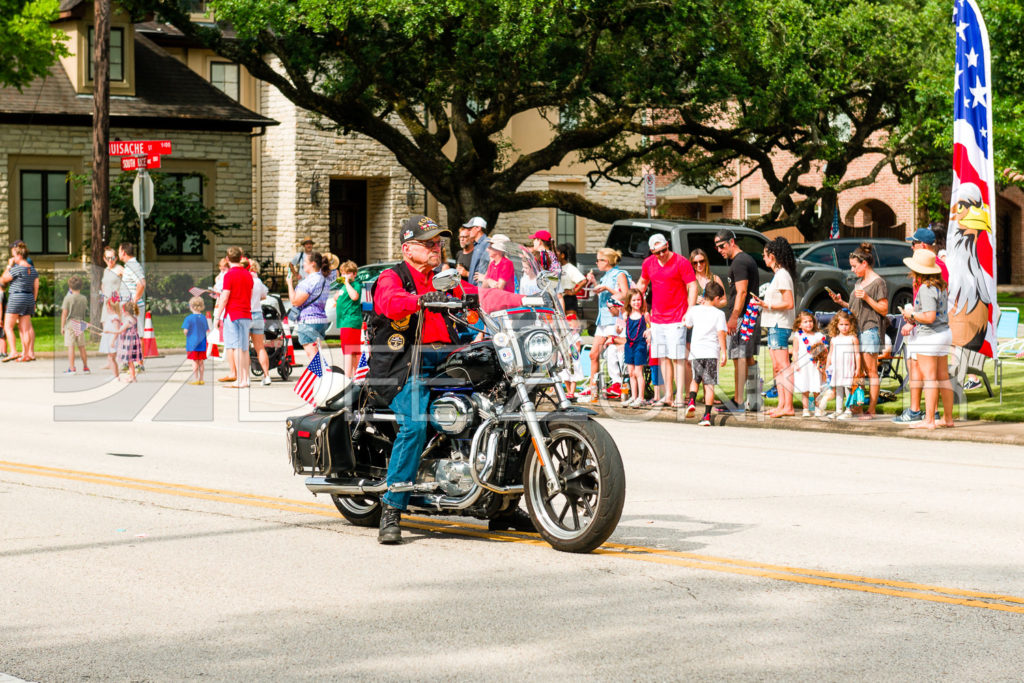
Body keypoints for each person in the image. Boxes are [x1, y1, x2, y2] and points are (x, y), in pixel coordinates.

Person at [367, 215, 468, 544]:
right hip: (403, 367)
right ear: (407, 248)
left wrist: (524, 302)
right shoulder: (391, 277)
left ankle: (501, 504)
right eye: (428, 243)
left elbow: (477, 297)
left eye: (438, 242)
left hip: (445, 360)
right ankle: (392, 507)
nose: (436, 248)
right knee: (415, 422)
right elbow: (389, 303)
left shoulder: (444, 279)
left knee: (490, 408)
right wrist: (419, 301)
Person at [636, 233, 697, 411]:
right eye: (657, 252)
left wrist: (690, 310)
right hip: (657, 317)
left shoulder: (681, 262)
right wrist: (637, 305)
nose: (662, 254)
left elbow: (692, 285)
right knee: (662, 357)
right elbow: (642, 283)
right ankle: (668, 395)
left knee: (677, 357)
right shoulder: (648, 263)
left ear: (668, 245)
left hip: (677, 316)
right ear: (652, 251)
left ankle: (679, 395)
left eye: (664, 250)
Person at [828, 243, 889, 418]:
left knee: (870, 371)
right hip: (856, 330)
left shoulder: (878, 282)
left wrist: (868, 297)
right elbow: (856, 309)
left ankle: (871, 409)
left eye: (854, 266)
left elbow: (884, 309)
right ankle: (858, 407)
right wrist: (841, 303)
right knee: (858, 371)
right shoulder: (858, 283)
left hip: (870, 330)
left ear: (864, 263)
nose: (852, 270)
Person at [900, 249, 955, 429]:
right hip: (944, 333)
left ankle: (929, 420)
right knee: (943, 378)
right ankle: (947, 418)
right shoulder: (941, 285)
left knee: (930, 379)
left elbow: (929, 316)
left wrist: (912, 314)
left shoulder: (925, 288)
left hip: (930, 336)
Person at [715, 229, 760, 411]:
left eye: (722, 246)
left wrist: (734, 317)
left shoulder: (740, 262)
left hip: (742, 316)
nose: (719, 250)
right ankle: (754, 400)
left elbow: (742, 292)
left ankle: (739, 401)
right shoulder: (744, 260)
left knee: (739, 358)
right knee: (747, 358)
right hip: (747, 315)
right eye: (716, 247)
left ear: (731, 242)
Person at [583, 248, 630, 401]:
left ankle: (620, 384)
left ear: (607, 261)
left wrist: (607, 288)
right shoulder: (605, 276)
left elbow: (625, 294)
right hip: (602, 319)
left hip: (615, 317)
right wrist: (595, 283)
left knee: (615, 353)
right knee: (593, 353)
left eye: (599, 260)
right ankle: (593, 386)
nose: (596, 263)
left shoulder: (619, 274)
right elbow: (603, 294)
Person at [757, 237, 796, 418]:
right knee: (777, 367)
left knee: (783, 366)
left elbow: (789, 303)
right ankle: (782, 404)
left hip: (779, 324)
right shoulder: (779, 275)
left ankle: (788, 406)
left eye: (765, 255)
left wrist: (768, 306)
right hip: (774, 324)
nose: (763, 259)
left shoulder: (782, 275)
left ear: (772, 256)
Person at [683, 281, 728, 426]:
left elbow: (688, 324)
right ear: (715, 298)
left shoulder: (695, 310)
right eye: (719, 299)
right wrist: (724, 352)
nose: (720, 301)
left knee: (695, 379)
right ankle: (707, 415)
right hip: (711, 352)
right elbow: (721, 333)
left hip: (697, 351)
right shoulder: (719, 314)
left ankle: (691, 401)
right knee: (709, 385)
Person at [214, 246, 254, 389]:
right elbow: (249, 294)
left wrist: (218, 316)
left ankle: (240, 379)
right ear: (241, 257)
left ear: (227, 259)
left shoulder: (229, 275)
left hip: (233, 313)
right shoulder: (248, 275)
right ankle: (246, 378)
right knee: (244, 348)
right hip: (246, 313)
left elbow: (225, 297)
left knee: (236, 347)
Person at [287, 251, 333, 363]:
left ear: (312, 263)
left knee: (312, 354)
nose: (303, 265)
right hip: (322, 320)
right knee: (317, 354)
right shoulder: (325, 280)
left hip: (309, 321)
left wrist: (289, 284)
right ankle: (323, 375)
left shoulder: (308, 282)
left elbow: (295, 301)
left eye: (305, 262)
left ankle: (320, 377)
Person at [1, 241, 38, 362]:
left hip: (16, 298)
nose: (12, 257)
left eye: (13, 255)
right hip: (29, 298)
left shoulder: (17, 269)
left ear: (19, 255)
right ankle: (26, 354)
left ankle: (13, 351)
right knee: (25, 328)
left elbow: (3, 279)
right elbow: (36, 285)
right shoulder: (32, 270)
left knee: (8, 326)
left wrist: (9, 266)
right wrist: (34, 301)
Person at [826, 309, 860, 420]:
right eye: (841, 324)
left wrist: (858, 368)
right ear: (836, 325)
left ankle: (848, 410)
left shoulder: (853, 338)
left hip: (848, 369)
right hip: (837, 369)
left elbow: (857, 354)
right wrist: (827, 366)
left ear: (851, 325)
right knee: (838, 389)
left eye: (847, 324)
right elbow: (830, 354)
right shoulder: (834, 339)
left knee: (848, 389)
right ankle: (838, 410)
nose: (844, 327)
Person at [791, 311, 826, 417]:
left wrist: (822, 361)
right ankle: (805, 409)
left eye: (810, 321)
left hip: (815, 365)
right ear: (799, 324)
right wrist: (796, 362)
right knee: (804, 388)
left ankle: (818, 408)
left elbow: (823, 350)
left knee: (817, 388)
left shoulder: (818, 335)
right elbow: (795, 351)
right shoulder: (798, 335)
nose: (808, 324)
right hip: (803, 365)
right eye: (805, 322)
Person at [334, 260, 363, 379]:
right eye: (343, 273)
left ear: (354, 274)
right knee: (353, 350)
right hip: (345, 321)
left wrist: (346, 284)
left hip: (350, 321)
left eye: (348, 273)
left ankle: (346, 377)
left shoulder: (355, 285)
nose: (345, 276)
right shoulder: (344, 286)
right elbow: (338, 298)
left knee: (348, 350)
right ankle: (358, 376)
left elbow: (354, 296)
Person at [622, 289, 650, 408]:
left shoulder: (645, 315)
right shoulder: (626, 315)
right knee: (631, 373)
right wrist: (618, 328)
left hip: (640, 345)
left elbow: (652, 326)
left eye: (638, 300)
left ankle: (641, 397)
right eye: (634, 300)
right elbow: (621, 328)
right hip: (629, 345)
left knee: (639, 372)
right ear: (629, 302)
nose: (637, 302)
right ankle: (633, 396)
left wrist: (649, 330)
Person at [60, 275, 90, 374]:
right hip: (80, 323)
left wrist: (62, 326)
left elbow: (64, 313)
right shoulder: (84, 298)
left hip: (70, 324)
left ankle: (72, 368)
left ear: (70, 287)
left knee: (71, 347)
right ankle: (86, 367)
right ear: (80, 286)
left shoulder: (67, 298)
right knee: (82, 347)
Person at [248, 259, 272, 385]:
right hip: (257, 314)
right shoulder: (258, 281)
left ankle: (245, 376)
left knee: (244, 348)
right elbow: (264, 295)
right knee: (260, 347)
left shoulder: (245, 280)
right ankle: (266, 375)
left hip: (245, 314)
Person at [117, 242, 146, 336]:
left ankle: (140, 351)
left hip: (133, 307)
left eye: (119, 251)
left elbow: (141, 284)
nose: (118, 254)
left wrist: (134, 302)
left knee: (138, 334)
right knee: (131, 335)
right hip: (129, 307)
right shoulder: (130, 266)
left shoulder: (132, 265)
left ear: (124, 252)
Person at [182, 296, 209, 385]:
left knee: (194, 361)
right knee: (201, 361)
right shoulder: (203, 317)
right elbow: (206, 329)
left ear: (191, 306)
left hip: (192, 344)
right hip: (202, 343)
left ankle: (195, 378)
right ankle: (201, 378)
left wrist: (187, 334)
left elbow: (185, 331)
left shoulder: (189, 318)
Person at [117, 300, 142, 383]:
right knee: (130, 361)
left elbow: (119, 331)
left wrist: (107, 332)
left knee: (130, 361)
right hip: (134, 340)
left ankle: (133, 377)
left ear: (126, 312)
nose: (122, 312)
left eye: (122, 311)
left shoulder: (128, 321)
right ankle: (133, 377)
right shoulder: (134, 319)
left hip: (129, 342)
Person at [100, 295, 121, 380]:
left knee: (112, 358)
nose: (107, 310)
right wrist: (104, 334)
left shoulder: (115, 318)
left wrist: (113, 340)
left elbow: (117, 331)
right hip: (110, 338)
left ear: (112, 308)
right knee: (110, 357)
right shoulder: (110, 317)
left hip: (113, 340)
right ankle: (114, 374)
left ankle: (116, 376)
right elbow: (109, 329)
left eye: (108, 308)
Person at [464, 217, 491, 283]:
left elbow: (492, 265)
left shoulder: (487, 243)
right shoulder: (477, 244)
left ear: (478, 228)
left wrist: (485, 277)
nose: (468, 231)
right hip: (473, 288)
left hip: (481, 288)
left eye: (470, 228)